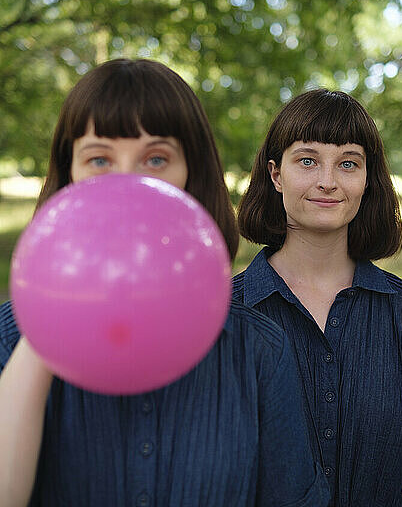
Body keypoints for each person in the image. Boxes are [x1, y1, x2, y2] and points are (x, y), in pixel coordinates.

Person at [0, 59, 329, 507]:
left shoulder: (259, 350)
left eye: (156, 158)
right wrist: (45, 327)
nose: (127, 181)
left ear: (190, 173)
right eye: (99, 158)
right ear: (68, 175)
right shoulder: (10, 338)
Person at [234, 88, 402, 507]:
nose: (327, 181)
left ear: (367, 179)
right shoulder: (221, 315)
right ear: (277, 175)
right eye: (307, 160)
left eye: (348, 163)